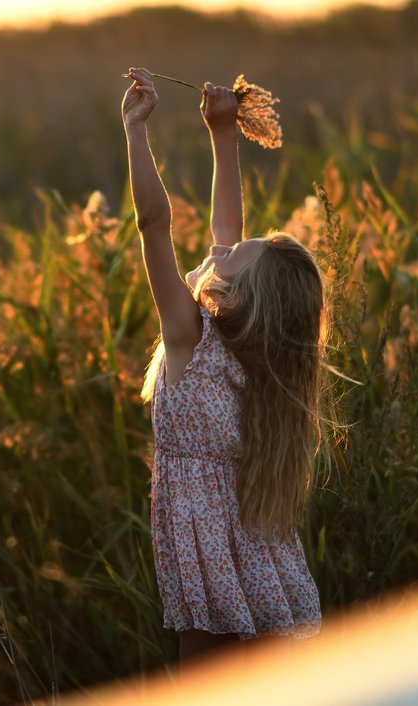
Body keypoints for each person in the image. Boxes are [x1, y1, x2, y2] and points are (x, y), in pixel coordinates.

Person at [122, 67, 325, 670]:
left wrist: (135, 133)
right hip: (257, 552)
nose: (228, 246)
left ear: (238, 296)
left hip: (208, 551)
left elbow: (154, 226)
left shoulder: (189, 337)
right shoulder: (254, 350)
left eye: (238, 255)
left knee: (205, 679)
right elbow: (223, 230)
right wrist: (223, 134)